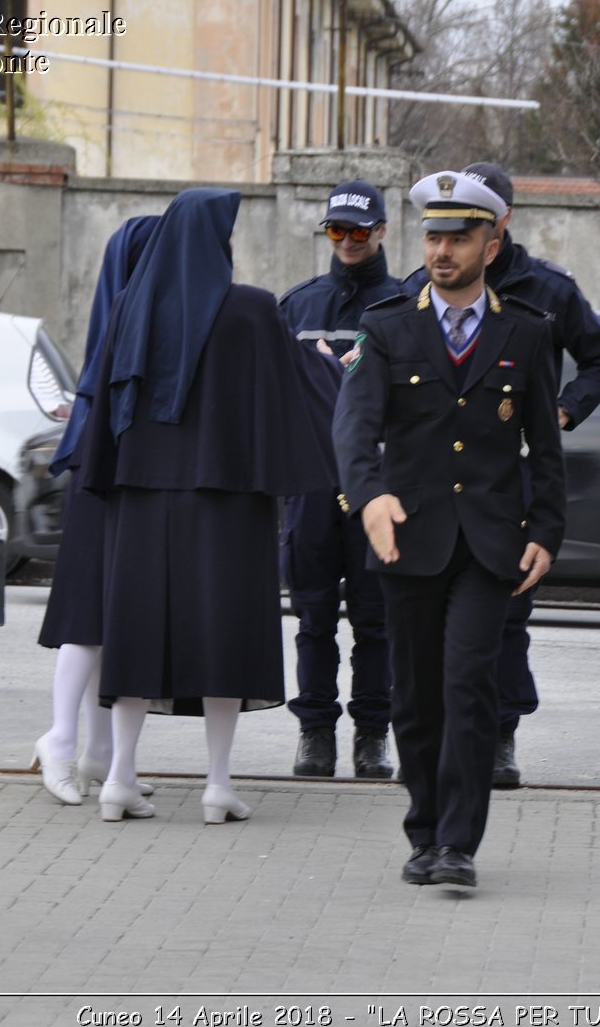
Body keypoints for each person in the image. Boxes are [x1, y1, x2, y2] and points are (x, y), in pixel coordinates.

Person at [76, 187, 338, 824]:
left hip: (141, 502)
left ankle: (119, 779)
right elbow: (294, 387)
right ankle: (218, 785)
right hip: (228, 501)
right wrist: (330, 367)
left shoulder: (129, 307)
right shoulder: (250, 310)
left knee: (136, 638)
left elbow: (105, 405)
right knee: (228, 637)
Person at [333, 170, 566, 887]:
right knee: (416, 695)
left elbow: (546, 449)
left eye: (459, 237)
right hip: (408, 538)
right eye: (433, 236)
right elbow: (353, 429)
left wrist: (547, 530)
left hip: (488, 545)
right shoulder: (387, 326)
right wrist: (367, 498)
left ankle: (459, 844)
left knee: (469, 685)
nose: (441, 250)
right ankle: (424, 828)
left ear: (491, 244)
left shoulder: (526, 334)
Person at [402, 162, 600, 788]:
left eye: (468, 228)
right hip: (439, 480)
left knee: (506, 614)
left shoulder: (547, 290)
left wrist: (563, 410)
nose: (447, 246)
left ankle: (499, 735)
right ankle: (434, 742)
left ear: (502, 224)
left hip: (510, 473)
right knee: (429, 616)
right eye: (438, 233)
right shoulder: (424, 282)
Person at [32, 214, 160, 806]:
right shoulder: (129, 322)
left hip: (113, 474)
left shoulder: (129, 315)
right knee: (88, 617)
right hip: (99, 476)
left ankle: (99, 753)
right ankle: (59, 743)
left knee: (109, 620)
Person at [277, 180, 401, 779]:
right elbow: (267, 397)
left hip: (379, 486)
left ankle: (373, 735)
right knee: (314, 618)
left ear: (381, 231)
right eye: (336, 230)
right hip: (311, 488)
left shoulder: (405, 306)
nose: (348, 241)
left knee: (377, 622)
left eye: (359, 231)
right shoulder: (297, 307)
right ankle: (316, 733)